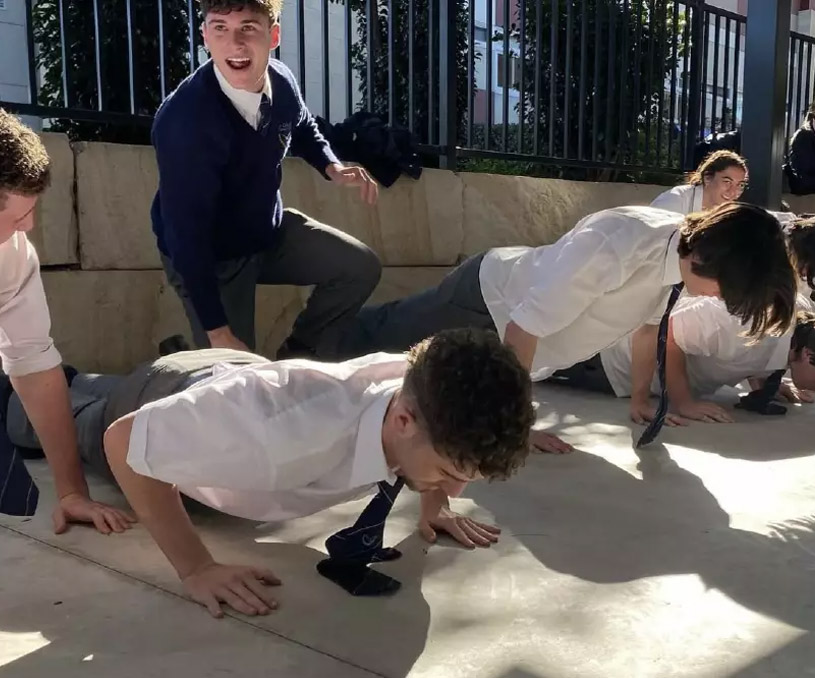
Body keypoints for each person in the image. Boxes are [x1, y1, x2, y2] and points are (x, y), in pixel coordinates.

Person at [29, 329, 535, 617]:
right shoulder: (281, 431)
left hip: (236, 379)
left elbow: (437, 409)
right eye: (450, 473)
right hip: (168, 396)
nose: (457, 487)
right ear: (402, 420)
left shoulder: (419, 394)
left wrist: (436, 497)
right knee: (53, 414)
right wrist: (196, 568)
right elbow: (123, 441)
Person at [315, 203, 797, 448]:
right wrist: (516, 426)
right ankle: (301, 349)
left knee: (388, 376)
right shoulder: (617, 244)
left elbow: (649, 329)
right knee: (374, 340)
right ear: (703, 254)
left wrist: (640, 400)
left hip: (515, 328)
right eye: (725, 288)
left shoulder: (679, 263)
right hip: (486, 303)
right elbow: (523, 330)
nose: (719, 298)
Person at [152, 0, 381, 360]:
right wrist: (218, 331)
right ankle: (182, 362)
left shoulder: (282, 80)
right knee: (238, 373)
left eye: (248, 28)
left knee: (359, 267)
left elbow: (302, 125)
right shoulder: (185, 123)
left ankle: (298, 353)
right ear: (205, 37)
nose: (236, 44)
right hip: (210, 257)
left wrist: (331, 166)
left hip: (266, 234)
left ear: (274, 35)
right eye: (220, 29)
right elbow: (186, 239)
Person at [0, 109, 134, 533]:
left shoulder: (12, 255)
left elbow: (35, 367)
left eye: (31, 211)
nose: (30, 226)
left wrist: (72, 491)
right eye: (17, 218)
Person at [548, 297, 815, 422]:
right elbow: (669, 334)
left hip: (618, 355)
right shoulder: (748, 324)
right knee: (527, 356)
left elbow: (759, 355)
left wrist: (764, 382)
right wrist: (684, 402)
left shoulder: (804, 321)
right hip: (608, 360)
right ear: (809, 355)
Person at [649, 150, 748, 215]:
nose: (733, 192)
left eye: (740, 185)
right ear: (707, 178)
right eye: (727, 182)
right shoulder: (674, 201)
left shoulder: (731, 215)